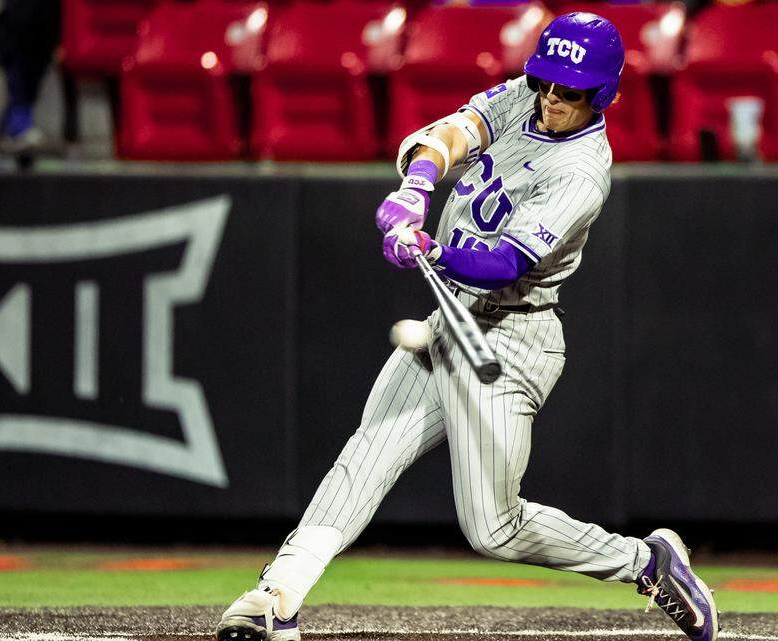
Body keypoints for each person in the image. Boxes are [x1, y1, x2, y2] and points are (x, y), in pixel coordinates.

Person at [214, 12, 719, 641]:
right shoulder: (524, 99)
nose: (553, 99)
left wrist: (431, 249)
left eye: (570, 90)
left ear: (603, 92)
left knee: (493, 528)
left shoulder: (583, 170)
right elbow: (450, 133)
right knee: (368, 453)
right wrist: (418, 185)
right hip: (448, 320)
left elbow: (506, 261)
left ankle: (646, 562)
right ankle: (278, 597)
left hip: (511, 339)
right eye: (547, 83)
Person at [0, 0, 61, 152]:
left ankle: (9, 133)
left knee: (25, 92)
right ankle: (18, 129)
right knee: (19, 91)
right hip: (20, 41)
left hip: (39, 41)